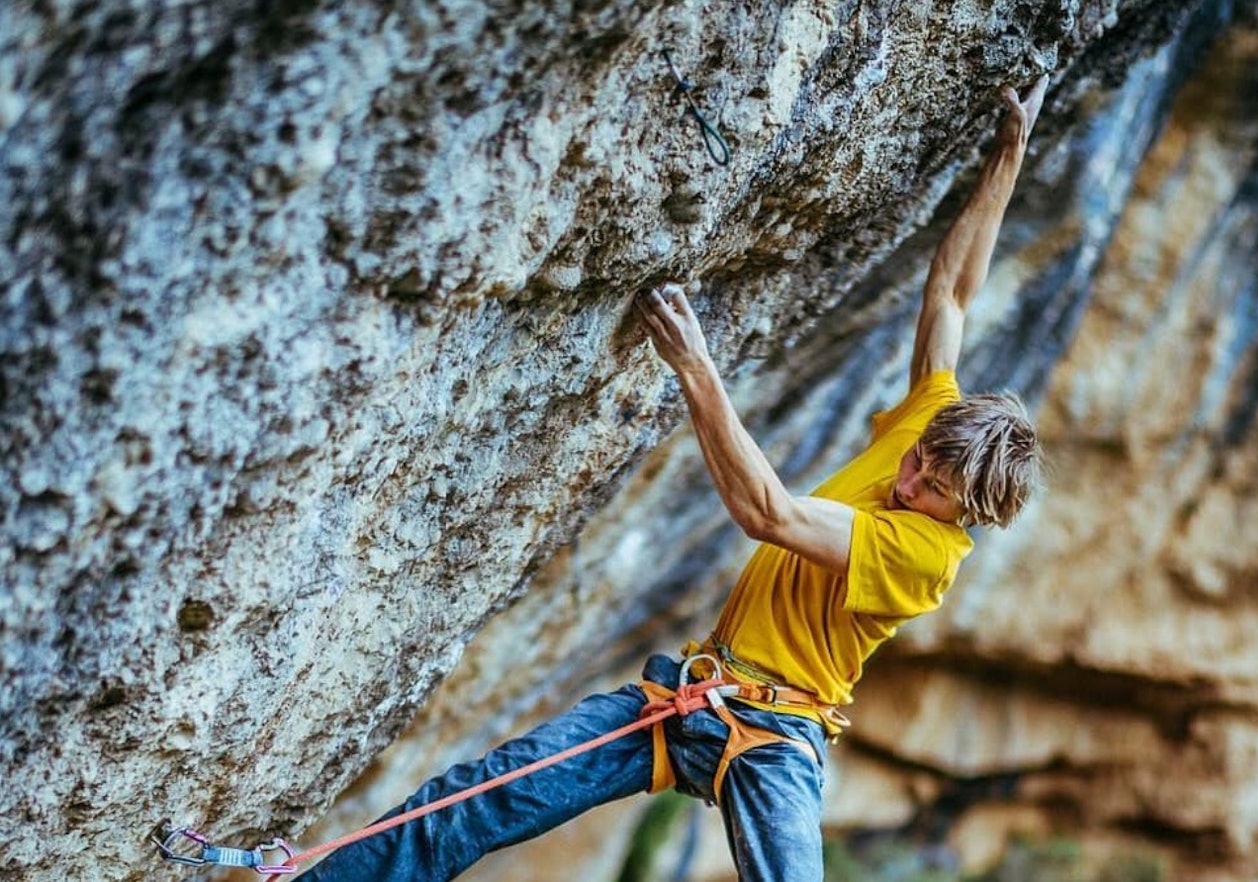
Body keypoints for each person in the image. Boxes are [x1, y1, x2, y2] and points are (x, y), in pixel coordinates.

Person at [295, 76, 1048, 882]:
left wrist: (695, 369)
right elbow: (952, 293)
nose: (908, 481)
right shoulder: (929, 430)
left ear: (964, 515)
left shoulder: (926, 555)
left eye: (933, 490)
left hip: (776, 739)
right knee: (479, 796)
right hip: (687, 695)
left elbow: (770, 514)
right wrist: (1009, 154)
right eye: (917, 461)